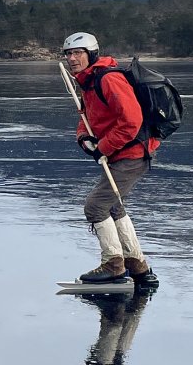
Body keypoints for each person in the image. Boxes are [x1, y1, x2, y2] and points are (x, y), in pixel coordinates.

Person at [62, 32, 160, 286]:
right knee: (114, 207)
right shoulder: (87, 82)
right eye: (69, 54)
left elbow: (131, 122)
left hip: (133, 153)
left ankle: (114, 265)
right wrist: (84, 138)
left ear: (91, 54)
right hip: (119, 152)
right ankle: (138, 267)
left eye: (78, 53)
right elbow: (87, 118)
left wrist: (103, 147)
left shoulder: (109, 79)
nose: (72, 59)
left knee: (95, 206)